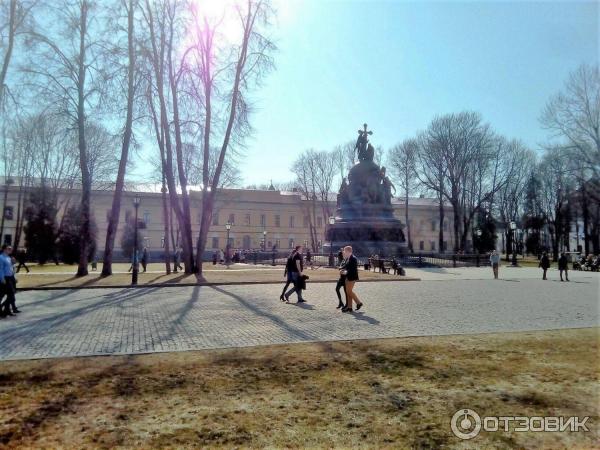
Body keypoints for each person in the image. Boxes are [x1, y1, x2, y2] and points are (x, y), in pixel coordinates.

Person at [341, 246, 363, 312]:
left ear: (348, 251)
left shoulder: (353, 258)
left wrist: (345, 272)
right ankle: (349, 307)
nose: (344, 252)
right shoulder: (348, 258)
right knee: (348, 292)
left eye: (345, 251)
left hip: (352, 277)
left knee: (349, 291)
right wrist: (342, 269)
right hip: (348, 277)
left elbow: (352, 270)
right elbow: (346, 266)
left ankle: (359, 303)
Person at [0, 245, 19, 318]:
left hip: (11, 278)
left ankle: (7, 310)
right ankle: (4, 309)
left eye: (11, 249)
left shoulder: (8, 257)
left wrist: (14, 277)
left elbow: (11, 268)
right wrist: (2, 278)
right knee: (10, 294)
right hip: (5, 278)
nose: (11, 250)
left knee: (10, 295)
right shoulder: (1, 257)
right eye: (9, 249)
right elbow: (0, 269)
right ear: (4, 249)